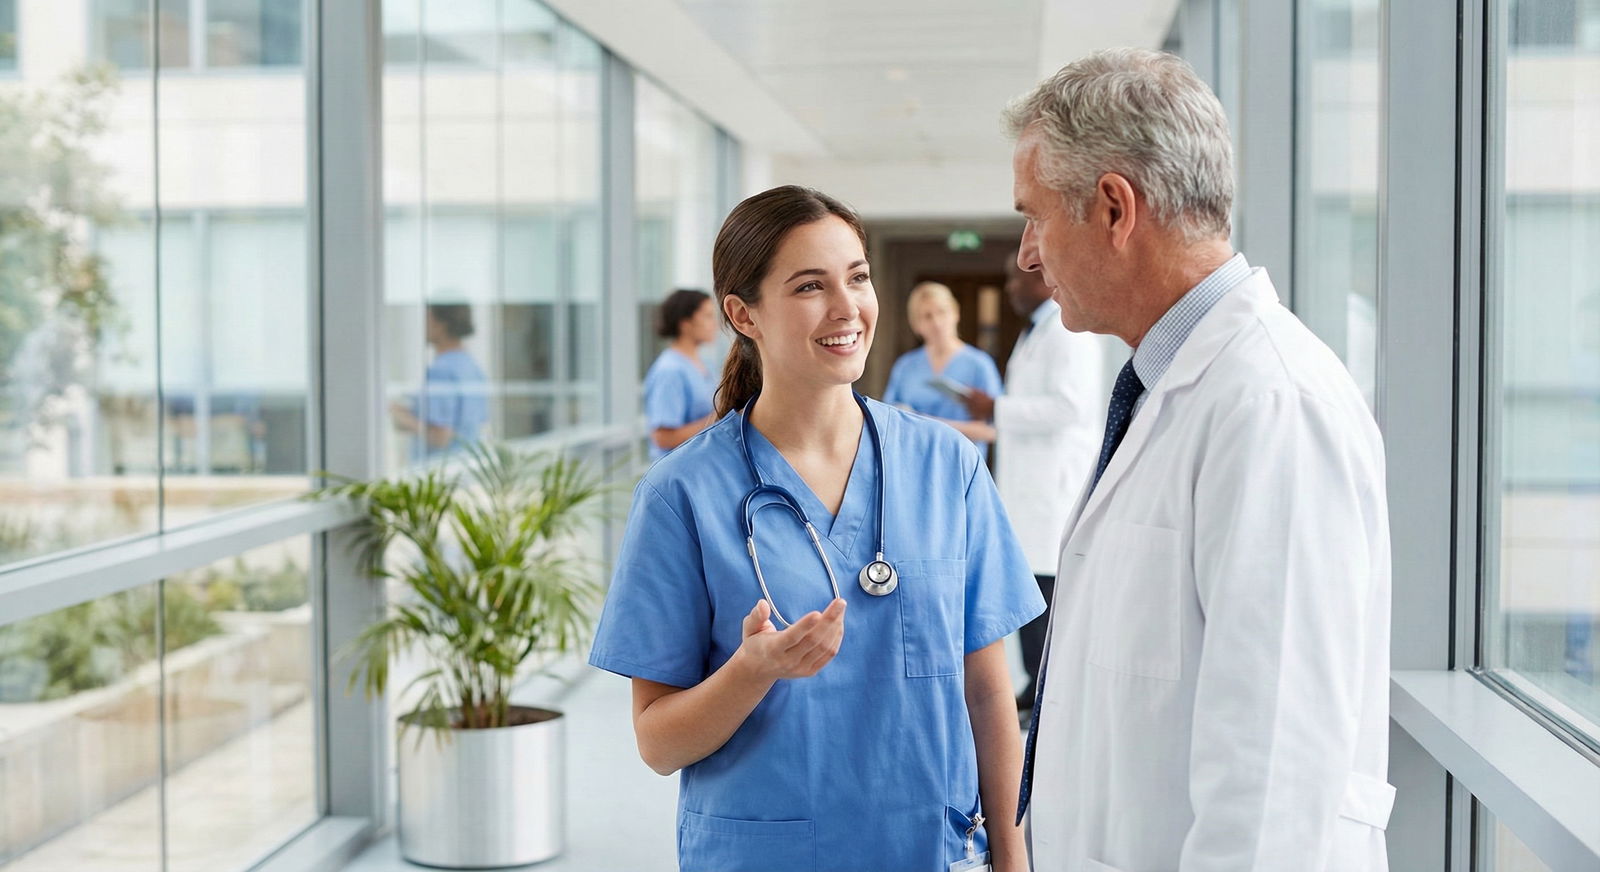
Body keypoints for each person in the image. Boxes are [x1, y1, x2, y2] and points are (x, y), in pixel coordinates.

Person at [1006, 49, 1394, 871]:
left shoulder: (1271, 405)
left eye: (1035, 218)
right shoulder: (1167, 385)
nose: (1027, 256)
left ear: (1115, 207)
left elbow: (1274, 775)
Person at [589, 185, 1043, 872]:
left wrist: (1013, 858)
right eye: (809, 286)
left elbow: (987, 691)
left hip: (930, 850)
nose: (846, 307)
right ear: (743, 314)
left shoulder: (946, 466)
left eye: (857, 278)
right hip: (766, 853)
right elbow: (658, 743)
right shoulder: (681, 495)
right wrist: (750, 673)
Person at [960, 257, 1105, 712]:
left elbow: (1069, 407)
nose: (1008, 287)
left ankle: (1047, 689)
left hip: (1052, 487)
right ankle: (1035, 684)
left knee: (1045, 589)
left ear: (1042, 277)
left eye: (1014, 278)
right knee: (1031, 583)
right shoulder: (1036, 332)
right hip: (1030, 486)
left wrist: (996, 407)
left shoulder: (1068, 333)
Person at [882, 281, 1004, 450]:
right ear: (916, 325)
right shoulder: (905, 367)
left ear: (956, 313)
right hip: (915, 458)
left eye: (942, 312)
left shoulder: (979, 364)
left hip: (961, 461)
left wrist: (928, 424)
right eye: (927, 316)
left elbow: (993, 430)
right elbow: (888, 418)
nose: (937, 323)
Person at [390, 303, 488, 459]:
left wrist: (398, 414)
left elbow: (441, 437)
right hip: (465, 465)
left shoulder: (441, 371)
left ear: (441, 324)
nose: (423, 325)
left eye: (427, 317)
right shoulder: (472, 367)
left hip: (438, 471)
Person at [643, 288, 719, 460]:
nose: (715, 324)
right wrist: (718, 419)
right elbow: (663, 438)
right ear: (685, 323)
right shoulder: (670, 371)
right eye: (707, 316)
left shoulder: (705, 364)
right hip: (676, 474)